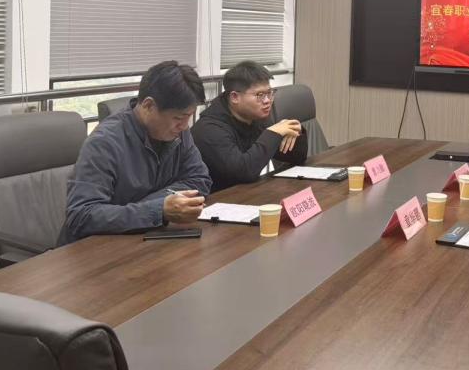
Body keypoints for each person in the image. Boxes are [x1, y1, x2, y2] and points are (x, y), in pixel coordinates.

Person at [59, 61, 212, 244]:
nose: (185, 126)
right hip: (94, 249)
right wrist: (158, 209)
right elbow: (81, 215)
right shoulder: (104, 142)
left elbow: (200, 179)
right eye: (179, 117)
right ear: (148, 106)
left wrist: (159, 206)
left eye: (189, 116)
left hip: (147, 240)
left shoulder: (178, 132)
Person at [192, 61, 307, 191]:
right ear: (235, 97)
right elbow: (243, 172)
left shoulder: (255, 117)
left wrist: (294, 131)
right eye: (260, 95)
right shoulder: (210, 129)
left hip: (245, 195)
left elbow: (296, 158)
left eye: (270, 93)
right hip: (213, 199)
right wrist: (273, 134)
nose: (267, 101)